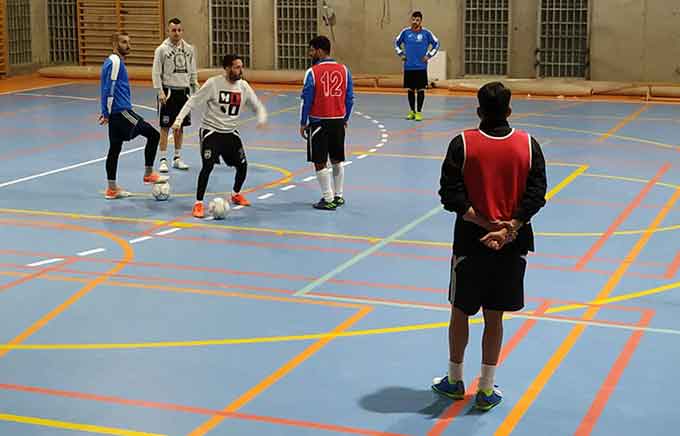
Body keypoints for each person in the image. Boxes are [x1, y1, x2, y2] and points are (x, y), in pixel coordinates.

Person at [432, 82, 547, 410]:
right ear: (509, 111)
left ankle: (454, 380)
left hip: (470, 242)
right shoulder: (528, 145)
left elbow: (449, 193)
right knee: (494, 317)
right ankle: (485, 388)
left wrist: (486, 225)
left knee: (460, 311)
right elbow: (536, 194)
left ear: (479, 110)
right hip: (510, 245)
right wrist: (509, 228)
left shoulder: (462, 144)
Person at [172, 54, 267, 218]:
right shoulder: (213, 84)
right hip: (211, 131)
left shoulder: (243, 86)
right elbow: (193, 101)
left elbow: (257, 106)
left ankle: (236, 193)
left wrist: (261, 118)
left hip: (230, 132)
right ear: (228, 68)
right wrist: (179, 120)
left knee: (243, 166)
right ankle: (198, 203)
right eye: (237, 67)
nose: (240, 70)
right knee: (207, 166)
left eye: (241, 67)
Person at [99, 32, 166, 199]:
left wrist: (106, 111)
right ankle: (149, 173)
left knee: (114, 149)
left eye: (129, 42)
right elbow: (109, 88)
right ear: (114, 44)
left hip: (115, 113)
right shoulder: (115, 62)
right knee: (153, 134)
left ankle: (112, 188)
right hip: (121, 111)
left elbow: (105, 88)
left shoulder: (112, 62)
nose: (128, 45)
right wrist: (107, 112)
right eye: (123, 42)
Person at [299, 35, 354, 211]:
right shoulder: (345, 70)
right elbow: (350, 99)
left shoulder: (312, 72)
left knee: (319, 161)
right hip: (338, 121)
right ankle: (338, 196)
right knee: (337, 159)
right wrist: (344, 119)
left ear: (320, 50)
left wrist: (303, 122)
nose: (310, 53)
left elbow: (306, 100)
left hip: (319, 122)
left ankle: (327, 198)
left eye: (312, 49)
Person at [152, 17, 199, 172]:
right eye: (173, 30)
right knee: (165, 126)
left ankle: (177, 158)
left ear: (182, 31)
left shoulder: (189, 49)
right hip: (168, 92)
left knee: (179, 127)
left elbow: (192, 72)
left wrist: (195, 91)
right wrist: (159, 91)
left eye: (179, 30)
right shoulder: (161, 50)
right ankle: (163, 159)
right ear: (168, 31)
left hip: (184, 92)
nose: (177, 33)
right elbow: (156, 72)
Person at [394, 11, 440, 121]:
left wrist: (429, 55)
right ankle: (412, 111)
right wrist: (401, 54)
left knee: (420, 90)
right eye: (413, 19)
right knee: (410, 90)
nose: (415, 22)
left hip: (421, 67)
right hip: (409, 66)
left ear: (421, 21)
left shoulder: (426, 33)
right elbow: (396, 43)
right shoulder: (405, 32)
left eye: (417, 20)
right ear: (411, 20)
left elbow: (436, 44)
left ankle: (419, 112)